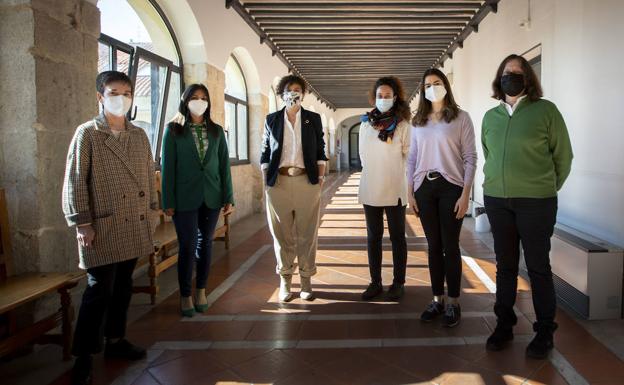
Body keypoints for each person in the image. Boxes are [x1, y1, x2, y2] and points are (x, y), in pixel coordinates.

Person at [62, 71, 157, 385]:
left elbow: (147, 175)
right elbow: (75, 181)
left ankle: (116, 340)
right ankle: (83, 355)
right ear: (101, 97)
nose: (123, 98)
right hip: (102, 224)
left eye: (127, 92)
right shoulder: (87, 133)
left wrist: (153, 210)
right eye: (114, 92)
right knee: (98, 290)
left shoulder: (140, 135)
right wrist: (82, 222)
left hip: (135, 221)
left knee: (123, 286)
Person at [482, 54, 573, 358]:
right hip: (497, 201)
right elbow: (488, 153)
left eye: (518, 73)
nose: (512, 76)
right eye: (507, 72)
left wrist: (546, 187)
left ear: (528, 79)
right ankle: (503, 325)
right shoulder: (490, 117)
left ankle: (545, 330)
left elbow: (564, 156)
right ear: (500, 77)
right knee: (505, 266)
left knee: (538, 267)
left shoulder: (546, 111)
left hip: (537, 202)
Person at [407, 68, 477, 327]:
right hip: (424, 188)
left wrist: (466, 194)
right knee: (433, 246)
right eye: (427, 85)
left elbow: (470, 158)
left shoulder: (461, 118)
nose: (432, 88)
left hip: (451, 187)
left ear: (446, 85)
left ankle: (454, 302)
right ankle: (437, 299)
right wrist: (410, 192)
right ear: (422, 90)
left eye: (437, 83)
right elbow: (412, 158)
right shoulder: (418, 121)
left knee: (450, 246)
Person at [161, 83, 234, 317]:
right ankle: (185, 295)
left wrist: (228, 197)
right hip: (184, 198)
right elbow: (168, 168)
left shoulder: (216, 131)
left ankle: (201, 290)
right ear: (185, 100)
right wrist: (168, 201)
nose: (199, 101)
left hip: (212, 195)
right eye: (194, 97)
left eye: (204, 98)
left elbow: (224, 166)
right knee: (188, 245)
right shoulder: (173, 130)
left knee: (206, 245)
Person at [261, 75, 328, 302]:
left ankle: (306, 280)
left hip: (305, 182)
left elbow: (320, 149)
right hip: (278, 183)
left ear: (303, 94)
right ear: (282, 94)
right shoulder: (272, 119)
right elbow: (265, 152)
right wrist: (266, 182)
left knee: (307, 233)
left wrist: (319, 181)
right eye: (289, 90)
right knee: (281, 234)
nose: (293, 93)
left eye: (298, 90)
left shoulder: (313, 119)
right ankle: (285, 280)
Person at [358, 76, 411, 301]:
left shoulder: (403, 125)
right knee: (373, 237)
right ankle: (375, 282)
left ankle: (398, 282)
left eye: (387, 96)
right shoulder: (365, 123)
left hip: (395, 187)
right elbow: (362, 155)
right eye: (380, 96)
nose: (383, 99)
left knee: (398, 237)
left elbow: (409, 156)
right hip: (371, 187)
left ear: (395, 97)